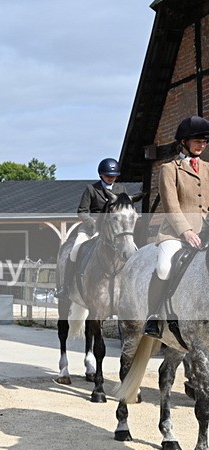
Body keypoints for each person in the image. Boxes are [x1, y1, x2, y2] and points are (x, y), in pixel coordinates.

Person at [144, 115, 209, 338]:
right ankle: (152, 315)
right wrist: (186, 231)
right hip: (175, 232)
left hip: (205, 231)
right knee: (163, 267)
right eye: (198, 140)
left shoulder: (208, 168)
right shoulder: (169, 169)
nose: (203, 144)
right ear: (184, 142)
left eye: (205, 140)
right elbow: (170, 205)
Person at [57, 157, 128, 298]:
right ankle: (66, 287)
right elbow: (82, 211)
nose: (111, 178)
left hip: (114, 230)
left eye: (114, 176)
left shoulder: (121, 189)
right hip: (91, 228)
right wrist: (94, 224)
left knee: (130, 250)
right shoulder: (91, 189)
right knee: (75, 250)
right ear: (101, 174)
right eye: (108, 176)